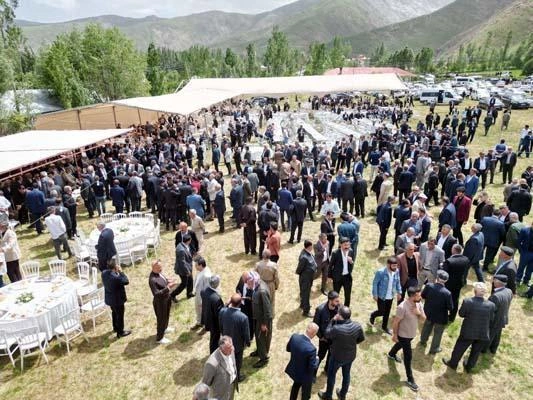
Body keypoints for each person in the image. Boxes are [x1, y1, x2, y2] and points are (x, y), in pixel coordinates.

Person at [443, 282, 495, 373]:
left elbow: (461, 314)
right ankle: (469, 367)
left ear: (474, 291)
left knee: (459, 349)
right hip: (482, 333)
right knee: (475, 352)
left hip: (468, 332)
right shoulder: (491, 305)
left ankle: (453, 364)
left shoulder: (468, 301)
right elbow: (491, 319)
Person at [318, 306, 365, 400]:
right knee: (346, 375)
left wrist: (332, 321)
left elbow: (327, 334)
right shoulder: (357, 326)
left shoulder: (337, 329)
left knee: (331, 375)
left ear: (340, 316)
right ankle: (342, 395)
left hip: (337, 357)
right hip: (350, 356)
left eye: (338, 314)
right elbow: (361, 339)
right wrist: (351, 343)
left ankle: (328, 395)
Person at [387, 287, 426, 392]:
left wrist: (418, 313)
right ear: (413, 296)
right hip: (403, 335)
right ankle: (410, 379)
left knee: (401, 344)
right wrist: (395, 335)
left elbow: (423, 319)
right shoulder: (402, 307)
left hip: (411, 334)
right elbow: (396, 322)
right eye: (419, 295)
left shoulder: (419, 304)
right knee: (408, 357)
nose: (421, 297)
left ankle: (391, 354)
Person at [219, 293, 251, 383]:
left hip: (225, 342)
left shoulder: (223, 312)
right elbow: (246, 333)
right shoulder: (243, 317)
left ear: (231, 302)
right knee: (237, 361)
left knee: (227, 359)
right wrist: (248, 343)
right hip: (238, 345)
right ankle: (237, 377)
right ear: (240, 303)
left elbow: (220, 325)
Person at [420, 271, 453, 354]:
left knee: (426, 327)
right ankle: (434, 348)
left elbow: (423, 296)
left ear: (437, 278)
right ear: (446, 280)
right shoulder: (447, 293)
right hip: (440, 317)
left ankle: (423, 340)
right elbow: (450, 307)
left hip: (428, 312)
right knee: (438, 333)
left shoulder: (428, 286)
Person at [285, 322, 320, 400]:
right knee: (305, 394)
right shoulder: (311, 349)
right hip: (305, 376)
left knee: (295, 386)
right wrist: (317, 359)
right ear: (314, 334)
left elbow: (288, 349)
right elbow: (312, 367)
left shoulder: (294, 337)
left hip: (295, 370)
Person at [370, 256, 402, 335]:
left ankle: (384, 327)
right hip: (382, 296)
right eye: (393, 266)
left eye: (396, 266)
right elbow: (375, 283)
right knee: (381, 312)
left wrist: (399, 292)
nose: (395, 267)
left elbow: (398, 282)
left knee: (387, 312)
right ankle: (373, 315)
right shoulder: (380, 272)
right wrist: (375, 294)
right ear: (388, 265)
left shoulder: (396, 271)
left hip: (390, 296)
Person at [148, 259, 177, 344]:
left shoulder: (159, 273)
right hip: (160, 302)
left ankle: (165, 328)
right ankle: (160, 338)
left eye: (161, 267)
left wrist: (168, 281)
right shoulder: (152, 279)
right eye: (159, 268)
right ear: (153, 268)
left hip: (166, 299)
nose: (161, 269)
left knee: (166, 315)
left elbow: (163, 280)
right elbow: (156, 293)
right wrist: (168, 287)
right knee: (161, 319)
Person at [101, 257, 131, 338]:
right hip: (118, 300)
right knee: (120, 315)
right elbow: (126, 281)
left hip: (110, 299)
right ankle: (120, 332)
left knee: (114, 312)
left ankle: (115, 327)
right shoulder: (116, 278)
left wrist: (115, 272)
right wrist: (121, 272)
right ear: (115, 267)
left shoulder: (104, 273)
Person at [484, 275, 513, 354]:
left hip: (495, 319)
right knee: (497, 333)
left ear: (497, 283)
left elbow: (490, 310)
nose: (492, 281)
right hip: (503, 316)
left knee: (490, 334)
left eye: (494, 280)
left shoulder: (495, 296)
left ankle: (484, 348)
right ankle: (493, 348)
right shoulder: (509, 291)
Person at [202, 336, 238, 400]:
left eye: (232, 346)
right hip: (220, 394)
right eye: (229, 348)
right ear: (221, 349)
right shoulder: (211, 364)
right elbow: (205, 383)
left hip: (232, 385)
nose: (232, 349)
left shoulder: (231, 349)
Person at [313, 291, 340, 373]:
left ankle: (327, 370)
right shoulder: (320, 310)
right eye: (336, 301)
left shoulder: (339, 308)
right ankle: (313, 372)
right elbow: (315, 325)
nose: (338, 302)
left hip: (334, 340)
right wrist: (321, 337)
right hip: (324, 339)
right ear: (330, 300)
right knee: (320, 356)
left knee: (331, 356)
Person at [442, 244, 470, 321]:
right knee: (455, 300)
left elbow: (444, 274)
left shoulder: (449, 261)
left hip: (448, 284)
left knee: (445, 299)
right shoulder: (466, 259)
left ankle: (443, 315)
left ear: (453, 250)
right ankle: (452, 317)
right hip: (459, 283)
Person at [252, 274, 273, 368]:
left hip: (263, 320)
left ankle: (264, 358)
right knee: (258, 336)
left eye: (249, 282)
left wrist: (264, 323)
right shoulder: (257, 285)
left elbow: (267, 309)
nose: (248, 284)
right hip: (258, 317)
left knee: (262, 338)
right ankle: (259, 351)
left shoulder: (262, 291)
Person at [201, 275, 224, 354]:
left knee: (213, 337)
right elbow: (219, 313)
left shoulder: (204, 291)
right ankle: (213, 353)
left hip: (207, 317)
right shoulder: (216, 298)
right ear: (217, 284)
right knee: (214, 338)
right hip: (214, 323)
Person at [329, 237, 354, 307]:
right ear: (340, 245)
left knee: (348, 295)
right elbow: (330, 265)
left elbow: (352, 264)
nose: (347, 247)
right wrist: (329, 276)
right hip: (337, 277)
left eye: (348, 245)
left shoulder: (351, 251)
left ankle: (346, 309)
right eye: (345, 245)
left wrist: (351, 262)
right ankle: (335, 308)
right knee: (335, 295)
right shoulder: (335, 253)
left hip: (347, 277)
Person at [296, 240, 317, 318]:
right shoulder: (304, 257)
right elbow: (299, 268)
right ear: (309, 246)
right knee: (306, 294)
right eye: (312, 246)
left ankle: (303, 304)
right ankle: (306, 311)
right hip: (305, 278)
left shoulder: (308, 253)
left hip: (309, 277)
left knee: (305, 292)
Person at [171, 234, 194, 302]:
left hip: (187, 267)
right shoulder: (181, 250)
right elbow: (182, 263)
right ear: (188, 241)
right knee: (184, 284)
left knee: (190, 281)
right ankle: (172, 295)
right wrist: (187, 271)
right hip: (183, 270)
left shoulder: (182, 244)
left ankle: (189, 293)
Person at [192, 257, 212, 330]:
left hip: (202, 297)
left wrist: (203, 301)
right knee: (198, 310)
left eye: (196, 265)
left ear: (200, 265)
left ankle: (205, 326)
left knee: (204, 312)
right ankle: (199, 322)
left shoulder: (206, 275)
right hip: (198, 294)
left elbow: (207, 289)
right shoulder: (200, 271)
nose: (195, 267)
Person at [0, 219, 22, 283]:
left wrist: (3, 249)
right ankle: (18, 283)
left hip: (13, 256)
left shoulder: (10, 233)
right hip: (7, 256)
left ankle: (17, 284)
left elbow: (11, 244)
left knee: (12, 272)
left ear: (4, 226)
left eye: (1, 226)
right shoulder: (2, 232)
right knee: (13, 272)